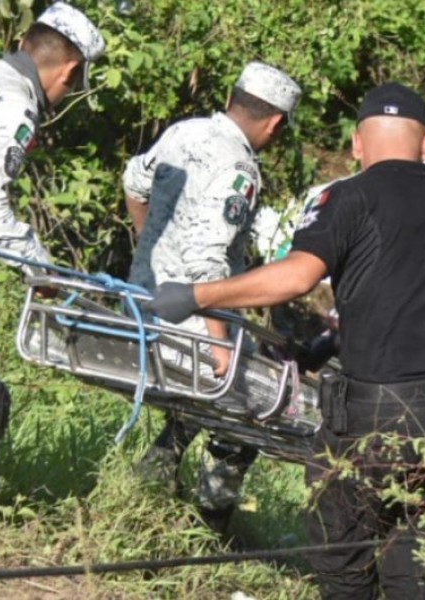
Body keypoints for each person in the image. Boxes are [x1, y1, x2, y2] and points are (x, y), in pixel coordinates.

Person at [148, 81, 425, 599]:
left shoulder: (348, 196)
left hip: (380, 408)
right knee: (403, 529)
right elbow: (416, 301)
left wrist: (197, 295)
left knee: (339, 545)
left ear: (356, 144)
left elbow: (297, 277)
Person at [123, 61, 301, 534]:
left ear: (231, 97)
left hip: (145, 300)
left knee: (207, 399)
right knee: (249, 412)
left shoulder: (185, 132)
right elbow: (209, 263)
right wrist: (220, 343)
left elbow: (133, 182)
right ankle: (210, 526)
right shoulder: (239, 167)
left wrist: (150, 252)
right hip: (192, 320)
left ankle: (157, 470)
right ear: (276, 122)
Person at [0, 1, 105, 521]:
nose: (66, 96)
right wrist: (41, 268)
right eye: (73, 85)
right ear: (71, 70)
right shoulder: (14, 106)